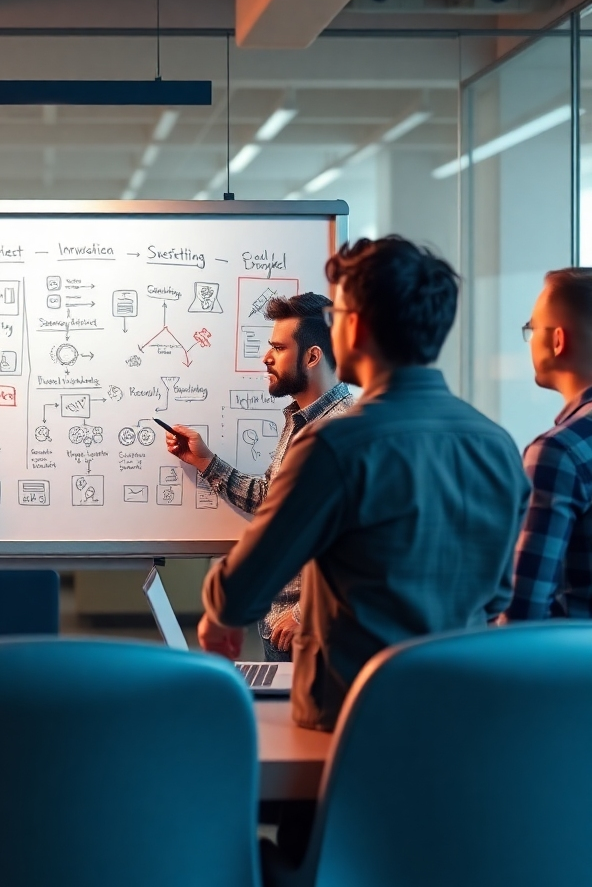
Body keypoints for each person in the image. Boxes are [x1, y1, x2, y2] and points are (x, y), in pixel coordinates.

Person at [198, 236, 529, 733]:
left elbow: (238, 592)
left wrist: (217, 617)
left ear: (359, 326)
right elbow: (501, 594)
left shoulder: (335, 445)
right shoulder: (498, 447)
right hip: (463, 721)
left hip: (352, 723)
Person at [165, 293, 353, 661]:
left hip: (308, 633)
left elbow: (355, 543)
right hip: (280, 628)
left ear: (312, 357)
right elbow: (274, 501)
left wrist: (305, 612)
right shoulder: (301, 421)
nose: (266, 358)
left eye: (278, 348)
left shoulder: (342, 430)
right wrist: (205, 462)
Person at [504, 268, 592, 621]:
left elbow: (523, 613)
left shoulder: (559, 452)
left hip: (572, 670)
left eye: (532, 328)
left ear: (558, 341)